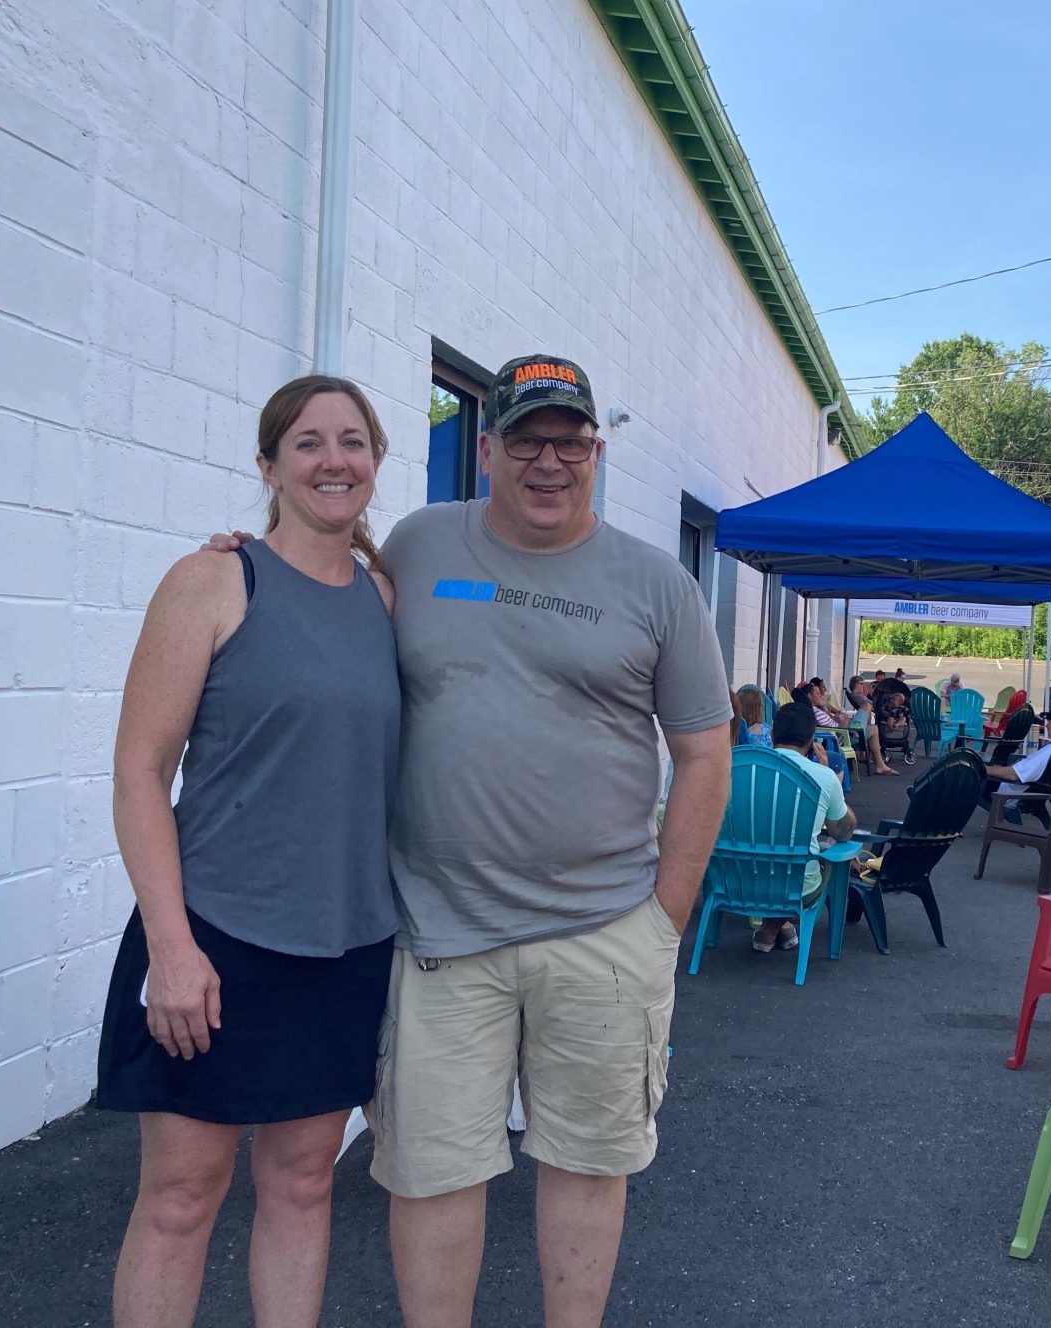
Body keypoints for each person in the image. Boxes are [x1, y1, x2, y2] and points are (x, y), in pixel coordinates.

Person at [211, 353, 732, 1328]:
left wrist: (666, 919)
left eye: (567, 441)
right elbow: (327, 582)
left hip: (606, 929)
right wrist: (255, 551)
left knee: (586, 1162)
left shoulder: (658, 585)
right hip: (439, 932)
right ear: (485, 448)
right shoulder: (419, 547)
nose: (547, 462)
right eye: (525, 439)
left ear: (596, 452)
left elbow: (704, 756)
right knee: (432, 1172)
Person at [101, 376, 401, 1328]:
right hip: (216, 940)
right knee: (182, 1199)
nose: (333, 461)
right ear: (267, 467)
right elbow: (140, 773)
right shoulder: (213, 581)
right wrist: (172, 949)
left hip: (347, 944)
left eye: (352, 442)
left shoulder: (391, 599)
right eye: (308, 444)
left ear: (376, 463)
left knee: (305, 1185)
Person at [756, 701, 857, 952]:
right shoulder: (822, 776)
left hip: (737, 879)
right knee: (829, 858)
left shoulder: (741, 767)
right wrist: (832, 783)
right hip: (797, 885)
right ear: (812, 740)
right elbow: (843, 831)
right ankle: (783, 927)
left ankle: (773, 927)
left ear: (772, 734)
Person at [983, 706, 1051, 818]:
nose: (1046, 725)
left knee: (966, 776)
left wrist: (981, 767)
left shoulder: (1049, 753)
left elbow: (1012, 775)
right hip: (1038, 797)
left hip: (1008, 795)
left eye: (1048, 722)